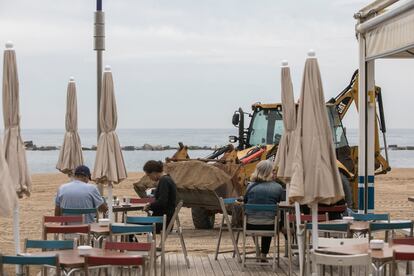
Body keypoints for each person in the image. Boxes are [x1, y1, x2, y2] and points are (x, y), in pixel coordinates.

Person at [244, 160, 285, 261]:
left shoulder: (250, 186)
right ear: (269, 171)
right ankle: (263, 254)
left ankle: (258, 250)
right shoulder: (278, 187)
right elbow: (283, 204)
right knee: (271, 218)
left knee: (261, 218)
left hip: (250, 225)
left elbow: (245, 202)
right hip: (270, 226)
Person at [142, 160, 177, 233]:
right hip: (163, 220)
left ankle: (133, 244)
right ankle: (134, 244)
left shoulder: (164, 181)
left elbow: (162, 202)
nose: (149, 178)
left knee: (128, 224)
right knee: (129, 223)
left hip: (161, 222)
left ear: (154, 173)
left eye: (148, 175)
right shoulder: (167, 179)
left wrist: (150, 205)